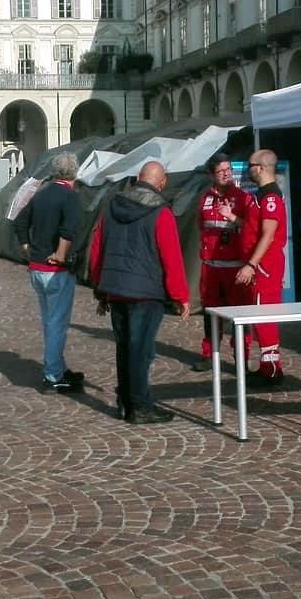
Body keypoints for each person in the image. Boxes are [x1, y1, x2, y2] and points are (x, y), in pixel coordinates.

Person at [89, 161, 190, 424]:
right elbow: (172, 257)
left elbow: (97, 249)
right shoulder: (160, 212)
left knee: (124, 348)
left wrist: (100, 290)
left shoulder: (111, 207)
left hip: (116, 289)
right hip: (145, 292)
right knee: (141, 351)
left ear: (137, 178)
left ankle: (125, 400)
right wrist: (180, 296)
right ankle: (140, 405)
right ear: (162, 182)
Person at [13, 153, 84, 393]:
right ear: (74, 173)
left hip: (36, 267)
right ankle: (53, 375)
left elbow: (19, 222)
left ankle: (58, 367)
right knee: (57, 324)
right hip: (56, 269)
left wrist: (26, 247)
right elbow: (68, 230)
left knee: (49, 321)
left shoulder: (40, 194)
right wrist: (61, 254)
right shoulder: (71, 197)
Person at [192, 153, 257, 372]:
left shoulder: (243, 198)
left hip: (235, 268)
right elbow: (202, 226)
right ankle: (209, 355)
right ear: (212, 174)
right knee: (211, 314)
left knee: (240, 316)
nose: (226, 174)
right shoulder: (204, 198)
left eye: (228, 170)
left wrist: (233, 218)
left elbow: (253, 228)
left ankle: (242, 357)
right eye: (221, 171)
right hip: (211, 268)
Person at [235, 149, 290, 385]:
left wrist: (251, 264)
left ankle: (272, 370)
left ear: (261, 167)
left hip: (265, 266)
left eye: (250, 164)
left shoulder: (270, 198)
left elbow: (267, 235)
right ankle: (268, 365)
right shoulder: (261, 196)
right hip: (261, 265)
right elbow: (253, 228)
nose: (248, 169)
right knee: (260, 316)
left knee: (264, 314)